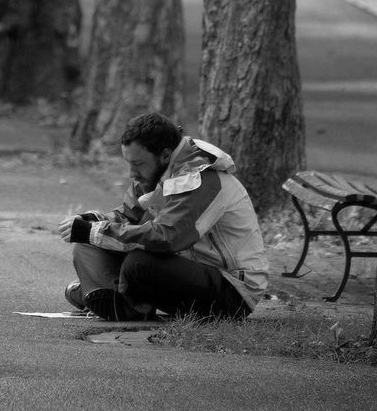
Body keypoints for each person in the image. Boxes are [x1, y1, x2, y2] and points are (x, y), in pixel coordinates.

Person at [58, 112, 269, 320]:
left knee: (140, 263)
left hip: (232, 291)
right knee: (87, 245)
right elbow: (129, 217)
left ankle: (113, 298)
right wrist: (93, 221)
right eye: (129, 163)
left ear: (165, 154)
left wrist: (95, 231)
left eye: (138, 164)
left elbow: (167, 237)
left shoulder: (200, 176)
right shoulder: (157, 171)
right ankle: (113, 297)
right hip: (184, 269)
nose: (132, 173)